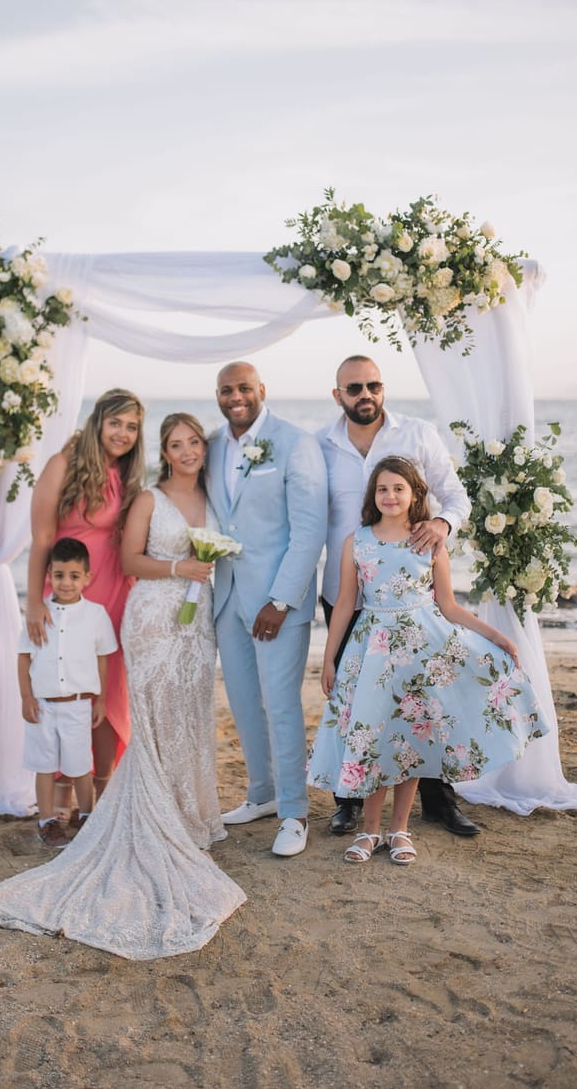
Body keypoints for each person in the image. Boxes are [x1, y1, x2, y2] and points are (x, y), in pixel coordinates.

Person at [0, 413, 245, 959]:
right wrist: (180, 568)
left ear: (204, 451)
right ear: (164, 451)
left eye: (192, 443)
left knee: (190, 715)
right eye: (174, 443)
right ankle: (131, 806)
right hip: (153, 617)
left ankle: (190, 811)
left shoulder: (217, 496)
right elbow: (131, 559)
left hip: (197, 622)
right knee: (153, 714)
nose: (185, 451)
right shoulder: (146, 499)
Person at [307, 457, 548, 865]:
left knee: (411, 740)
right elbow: (346, 603)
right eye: (382, 489)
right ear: (373, 495)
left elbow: (450, 606)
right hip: (373, 654)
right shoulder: (358, 541)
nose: (390, 496)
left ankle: (399, 829)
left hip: (422, 651)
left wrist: (494, 635)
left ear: (415, 494)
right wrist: (329, 659)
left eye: (399, 488)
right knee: (373, 737)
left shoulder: (430, 542)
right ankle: (370, 831)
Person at [317, 354, 480, 838]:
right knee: (353, 702)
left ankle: (439, 801)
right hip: (349, 594)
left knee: (422, 699)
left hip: (413, 602)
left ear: (382, 388)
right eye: (354, 388)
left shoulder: (418, 433)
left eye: (373, 385)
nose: (364, 394)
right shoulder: (320, 445)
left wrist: (441, 524)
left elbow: (456, 494)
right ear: (338, 395)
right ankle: (347, 801)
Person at [206, 361, 327, 858]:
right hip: (229, 595)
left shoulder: (296, 443)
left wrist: (281, 600)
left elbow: (309, 531)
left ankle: (295, 813)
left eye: (243, 388)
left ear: (261, 390)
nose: (236, 397)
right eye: (226, 390)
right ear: (218, 395)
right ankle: (261, 793)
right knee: (243, 703)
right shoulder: (212, 444)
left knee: (280, 706)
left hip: (276, 604)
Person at [25, 388, 145, 804]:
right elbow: (41, 537)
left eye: (132, 427)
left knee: (108, 692)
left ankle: (102, 797)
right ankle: (61, 800)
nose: (123, 433)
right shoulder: (64, 464)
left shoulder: (127, 474)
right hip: (66, 594)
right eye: (116, 423)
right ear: (98, 422)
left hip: (113, 594)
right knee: (66, 688)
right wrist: (35, 602)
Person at [18, 537, 118, 848]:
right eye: (59, 575)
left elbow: (103, 657)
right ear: (49, 575)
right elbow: (23, 656)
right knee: (45, 766)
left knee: (79, 767)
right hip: (43, 706)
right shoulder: (39, 614)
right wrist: (26, 697)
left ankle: (88, 815)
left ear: (87, 577)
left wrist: (99, 699)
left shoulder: (96, 615)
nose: (66, 582)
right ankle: (47, 821)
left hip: (78, 705)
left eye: (74, 576)